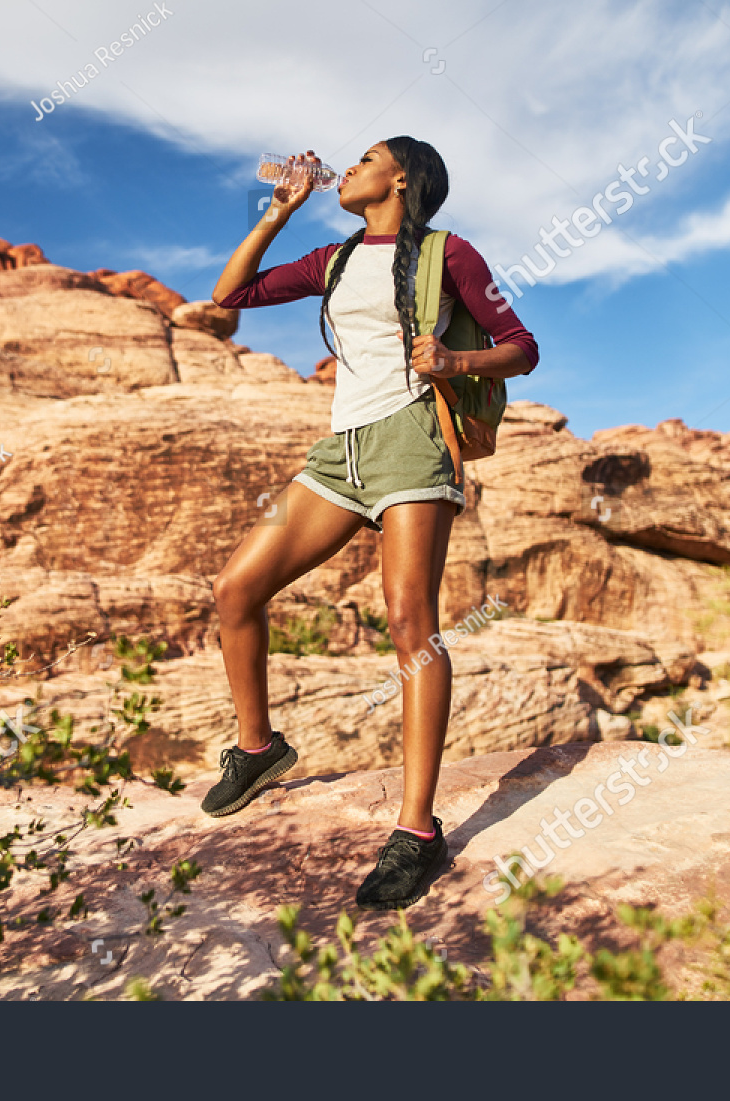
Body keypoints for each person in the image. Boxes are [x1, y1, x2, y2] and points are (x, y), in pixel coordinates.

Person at [202, 138, 540, 910]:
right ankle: (259, 749)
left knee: (408, 624)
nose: (346, 169)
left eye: (365, 158)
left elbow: (522, 348)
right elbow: (231, 295)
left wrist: (457, 365)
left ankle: (417, 831)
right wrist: (279, 213)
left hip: (414, 443)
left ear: (401, 179)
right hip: (341, 453)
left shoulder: (451, 254)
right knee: (236, 588)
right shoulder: (333, 256)